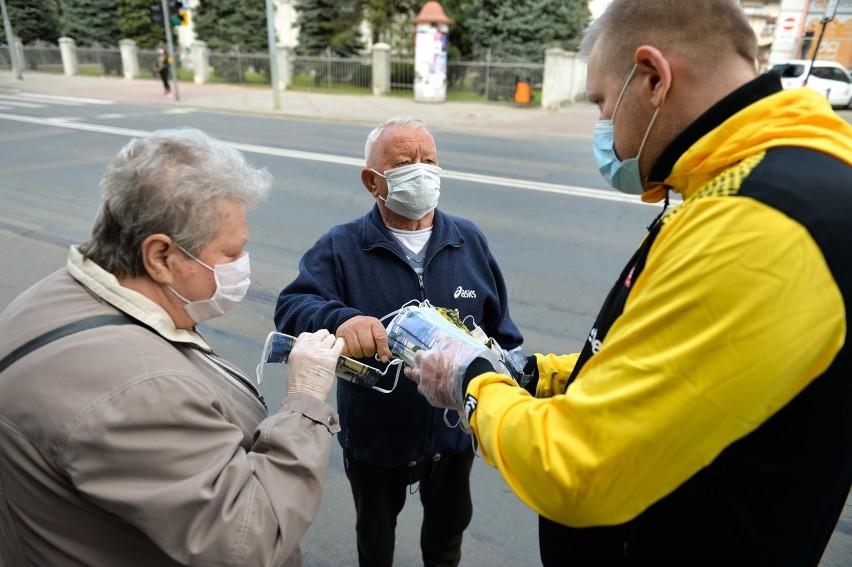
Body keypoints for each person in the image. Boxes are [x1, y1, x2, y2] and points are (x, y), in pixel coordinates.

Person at [406, 0, 852, 565]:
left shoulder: (762, 219)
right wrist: (538, 374)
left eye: (600, 103)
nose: (601, 129)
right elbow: (668, 368)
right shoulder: (738, 181)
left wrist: (472, 382)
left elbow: (576, 466)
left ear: (653, 78)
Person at [0, 128, 346, 566]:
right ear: (161, 257)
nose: (243, 267)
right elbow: (248, 540)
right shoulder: (140, 391)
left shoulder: (54, 294)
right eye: (231, 253)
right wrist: (304, 402)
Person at [274, 116, 523, 567]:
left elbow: (503, 333)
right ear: (373, 181)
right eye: (405, 162)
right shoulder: (342, 246)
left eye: (429, 160)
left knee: (446, 541)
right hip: (375, 438)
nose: (421, 171)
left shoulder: (468, 241)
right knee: (375, 541)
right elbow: (292, 307)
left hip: (453, 438)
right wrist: (340, 320)